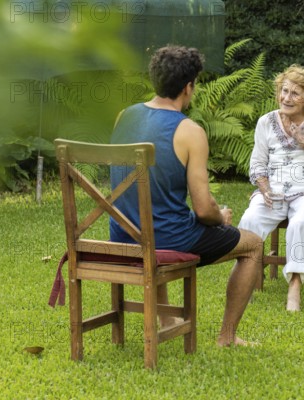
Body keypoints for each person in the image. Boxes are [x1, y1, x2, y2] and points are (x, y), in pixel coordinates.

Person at [109, 45, 263, 347]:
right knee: (254, 246)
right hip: (166, 240)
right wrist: (222, 218)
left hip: (122, 236)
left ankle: (166, 318)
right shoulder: (189, 131)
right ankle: (227, 337)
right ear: (188, 87)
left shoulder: (123, 117)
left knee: (158, 221)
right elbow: (205, 210)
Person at [238, 64, 304, 312]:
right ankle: (246, 281)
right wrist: (263, 188)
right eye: (284, 91)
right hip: (273, 191)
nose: (286, 98)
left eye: (295, 93)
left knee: (299, 221)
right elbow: (258, 164)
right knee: (249, 219)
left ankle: (295, 284)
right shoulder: (266, 122)